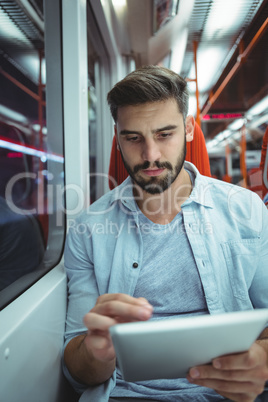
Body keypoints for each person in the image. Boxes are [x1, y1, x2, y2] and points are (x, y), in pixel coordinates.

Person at [63, 65, 268, 402]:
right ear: (118, 139)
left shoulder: (245, 209)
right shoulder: (88, 229)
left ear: (188, 129)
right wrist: (96, 352)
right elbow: (76, 368)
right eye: (133, 138)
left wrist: (261, 358)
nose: (150, 155)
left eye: (164, 134)